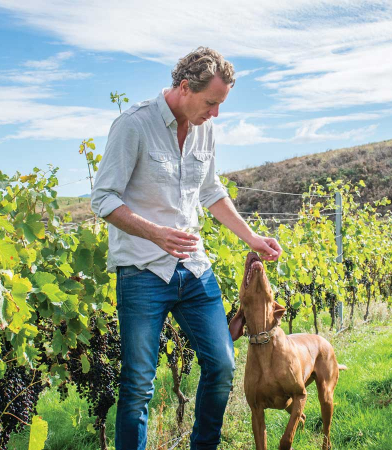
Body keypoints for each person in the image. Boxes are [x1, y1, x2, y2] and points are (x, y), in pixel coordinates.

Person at [90, 47, 282, 450]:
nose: (216, 114)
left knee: (222, 364)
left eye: (220, 104)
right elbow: (103, 199)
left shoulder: (205, 128)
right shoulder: (134, 125)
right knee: (139, 383)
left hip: (194, 269)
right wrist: (155, 233)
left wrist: (252, 238)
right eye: (211, 102)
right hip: (143, 270)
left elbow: (211, 191)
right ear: (183, 87)